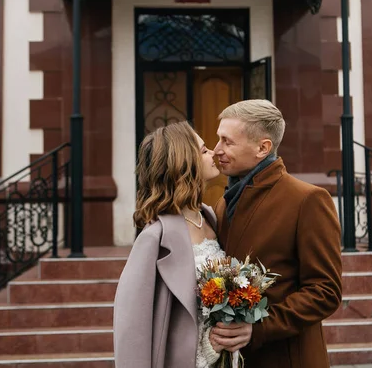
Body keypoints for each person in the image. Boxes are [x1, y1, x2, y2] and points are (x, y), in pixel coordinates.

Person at [210, 99, 343, 368]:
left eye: (228, 141)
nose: (216, 150)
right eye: (217, 140)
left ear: (263, 148)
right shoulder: (223, 203)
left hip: (288, 357)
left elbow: (325, 290)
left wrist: (258, 327)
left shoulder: (308, 200)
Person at [113, 121, 228, 368]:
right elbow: (132, 328)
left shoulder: (211, 218)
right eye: (204, 149)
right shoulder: (155, 238)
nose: (213, 154)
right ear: (185, 162)